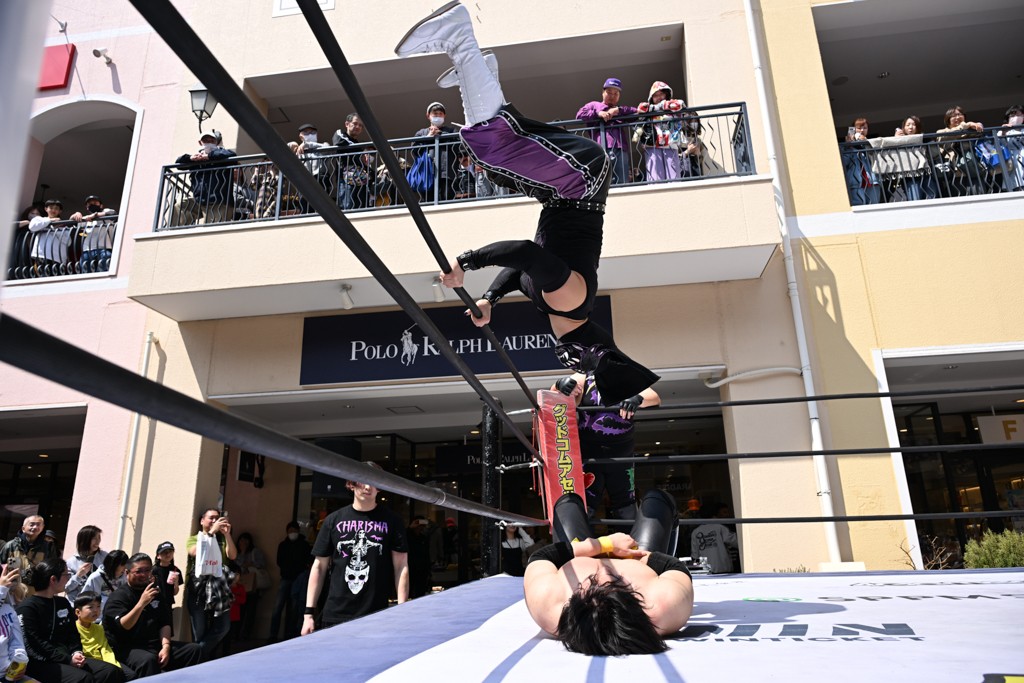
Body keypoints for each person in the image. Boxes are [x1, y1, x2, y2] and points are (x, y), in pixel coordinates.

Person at [398, 1, 659, 405]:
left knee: (493, 165)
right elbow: (523, 251)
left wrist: (490, 299)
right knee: (496, 145)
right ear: (580, 346)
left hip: (563, 193)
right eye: (575, 362)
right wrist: (465, 263)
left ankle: (481, 72)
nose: (567, 364)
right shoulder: (568, 300)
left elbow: (520, 270)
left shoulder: (552, 302)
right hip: (581, 182)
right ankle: (459, 37)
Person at [523, 491, 692, 655]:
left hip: (580, 553)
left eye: (593, 581)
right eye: (617, 582)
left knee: (567, 502)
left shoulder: (548, 604)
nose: (605, 571)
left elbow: (542, 557)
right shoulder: (664, 608)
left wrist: (603, 545)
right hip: (638, 556)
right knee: (657, 500)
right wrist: (635, 556)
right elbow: (675, 567)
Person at [301, 463, 409, 634]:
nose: (368, 487)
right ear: (351, 484)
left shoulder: (392, 521)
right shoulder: (333, 521)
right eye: (362, 480)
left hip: (377, 614)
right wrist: (308, 613)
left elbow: (401, 565)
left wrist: (402, 610)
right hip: (336, 613)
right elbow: (319, 567)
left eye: (373, 481)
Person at [554, 372, 660, 519]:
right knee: (585, 504)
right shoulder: (584, 377)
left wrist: (637, 399)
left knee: (626, 506)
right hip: (590, 454)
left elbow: (654, 397)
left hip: (621, 454)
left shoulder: (626, 375)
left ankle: (630, 535)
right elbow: (553, 396)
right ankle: (579, 534)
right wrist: (560, 385)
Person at [17, 559, 125, 683]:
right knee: (84, 678)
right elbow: (33, 643)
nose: (69, 579)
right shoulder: (27, 608)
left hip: (66, 656)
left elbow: (72, 633)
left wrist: (76, 652)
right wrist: (67, 660)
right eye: (66, 575)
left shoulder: (62, 602)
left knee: (110, 671)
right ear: (53, 579)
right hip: (40, 662)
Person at [102, 554, 202, 676]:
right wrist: (141, 603)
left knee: (194, 650)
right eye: (139, 571)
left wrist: (166, 646)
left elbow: (164, 622)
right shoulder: (118, 597)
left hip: (154, 645)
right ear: (127, 573)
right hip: (128, 648)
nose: (144, 575)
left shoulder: (155, 593)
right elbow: (124, 625)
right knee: (148, 660)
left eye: (147, 570)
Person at [184, 508, 236, 658]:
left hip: (219, 589)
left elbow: (232, 555)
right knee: (199, 631)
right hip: (199, 589)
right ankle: (199, 658)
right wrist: (211, 532)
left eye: (217, 518)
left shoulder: (221, 539)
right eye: (211, 518)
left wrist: (227, 534)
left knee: (223, 626)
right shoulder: (195, 538)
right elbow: (195, 552)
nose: (214, 521)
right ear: (202, 520)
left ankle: (197, 656)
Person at [577, 77, 639, 185]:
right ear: (603, 93)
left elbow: (636, 113)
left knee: (622, 182)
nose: (612, 96)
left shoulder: (621, 110)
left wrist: (617, 110)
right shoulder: (594, 105)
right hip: (600, 149)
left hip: (620, 148)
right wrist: (598, 113)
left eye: (616, 93)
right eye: (609, 92)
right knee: (603, 182)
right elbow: (579, 115)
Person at [170, 131, 236, 226]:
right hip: (200, 199)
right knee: (181, 206)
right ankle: (174, 231)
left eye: (212, 140)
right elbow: (178, 164)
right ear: (200, 143)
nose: (209, 143)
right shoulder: (197, 157)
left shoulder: (221, 153)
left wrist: (209, 156)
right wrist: (190, 158)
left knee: (212, 229)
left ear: (216, 142)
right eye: (206, 140)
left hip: (219, 200)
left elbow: (232, 155)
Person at [634, 81, 687, 182]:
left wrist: (660, 106)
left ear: (666, 94)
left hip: (671, 145)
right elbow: (641, 108)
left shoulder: (672, 105)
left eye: (661, 94)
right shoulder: (648, 108)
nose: (659, 97)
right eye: (655, 95)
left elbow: (680, 104)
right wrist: (655, 107)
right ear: (651, 98)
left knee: (674, 177)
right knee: (655, 178)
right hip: (652, 146)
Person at [74, 592, 134, 680]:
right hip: (86, 663)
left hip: (105, 662)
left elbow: (105, 649)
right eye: (91, 607)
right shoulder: (73, 629)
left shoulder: (99, 628)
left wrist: (113, 664)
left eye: (98, 606)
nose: (96, 610)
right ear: (78, 612)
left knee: (130, 675)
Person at [0, 516, 59, 604]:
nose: (35, 527)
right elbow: (1, 567)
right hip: (12, 593)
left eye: (38, 525)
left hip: (36, 594)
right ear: (23, 528)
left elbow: (52, 570)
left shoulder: (48, 547)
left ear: (42, 528)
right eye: (32, 524)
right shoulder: (11, 546)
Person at [268, 522, 309, 643]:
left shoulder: (304, 545)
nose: (292, 533)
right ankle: (273, 635)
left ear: (298, 531)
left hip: (299, 579)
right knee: (278, 607)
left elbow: (307, 560)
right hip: (286, 578)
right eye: (290, 531)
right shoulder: (283, 545)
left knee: (295, 608)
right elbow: (279, 561)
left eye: (294, 530)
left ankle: (290, 633)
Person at [413, 102, 460, 202]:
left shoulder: (451, 131)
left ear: (444, 116)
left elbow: (458, 147)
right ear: (428, 116)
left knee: (447, 197)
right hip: (427, 172)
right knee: (428, 200)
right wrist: (428, 137)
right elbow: (415, 150)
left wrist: (441, 134)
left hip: (447, 172)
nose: (438, 116)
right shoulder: (421, 133)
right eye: (435, 114)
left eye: (440, 114)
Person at [1, 563, 36, 683]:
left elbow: (16, 642)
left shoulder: (8, 610)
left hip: (8, 674)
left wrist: (19, 661)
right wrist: (1, 590)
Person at [332, 113, 375, 210]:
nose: (358, 127)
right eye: (355, 123)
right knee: (347, 209)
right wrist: (361, 154)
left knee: (361, 210)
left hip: (361, 183)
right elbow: (339, 142)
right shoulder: (340, 134)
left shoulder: (359, 145)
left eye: (360, 125)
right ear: (347, 124)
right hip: (345, 181)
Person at [233, 533, 266, 640]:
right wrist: (242, 553)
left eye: (246, 541)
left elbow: (262, 564)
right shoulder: (236, 552)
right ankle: (236, 634)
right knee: (239, 611)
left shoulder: (255, 552)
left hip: (252, 587)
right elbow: (237, 565)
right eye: (241, 541)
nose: (243, 543)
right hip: (240, 586)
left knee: (251, 612)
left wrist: (251, 564)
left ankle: (246, 635)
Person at [26, 199, 73, 275]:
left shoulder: (63, 226)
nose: (53, 210)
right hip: (41, 256)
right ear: (46, 209)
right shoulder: (39, 219)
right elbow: (32, 227)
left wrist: (56, 228)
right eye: (51, 208)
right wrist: (50, 220)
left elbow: (68, 242)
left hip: (58, 259)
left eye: (56, 208)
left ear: (60, 211)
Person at [295, 123, 334, 214]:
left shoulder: (323, 144)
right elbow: (287, 147)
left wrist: (307, 144)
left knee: (322, 208)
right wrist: (298, 144)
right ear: (300, 136)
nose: (310, 135)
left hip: (320, 179)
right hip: (305, 180)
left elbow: (327, 148)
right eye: (306, 133)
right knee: (305, 209)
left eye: (312, 132)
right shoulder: (298, 149)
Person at [690, 504, 738, 574]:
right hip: (724, 569)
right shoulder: (720, 528)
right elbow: (737, 542)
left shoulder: (695, 532)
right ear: (715, 514)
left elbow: (695, 555)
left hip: (706, 571)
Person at [65, 526, 108, 603]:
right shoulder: (71, 562)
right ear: (85, 539)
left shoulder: (105, 557)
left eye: (99, 537)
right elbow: (67, 588)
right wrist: (78, 575)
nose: (97, 541)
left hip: (99, 604)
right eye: (94, 538)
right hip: (77, 604)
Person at [79, 551, 129, 617]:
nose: (125, 568)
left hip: (117, 616)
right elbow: (84, 600)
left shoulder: (125, 578)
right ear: (113, 565)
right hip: (97, 618)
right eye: (122, 565)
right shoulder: (96, 578)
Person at [405, 517, 432, 599]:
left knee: (420, 591)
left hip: (422, 569)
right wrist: (410, 528)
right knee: (409, 590)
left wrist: (428, 570)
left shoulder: (423, 538)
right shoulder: (408, 536)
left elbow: (426, 554)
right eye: (419, 525)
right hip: (411, 567)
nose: (420, 527)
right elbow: (402, 537)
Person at [150, 543, 181, 611]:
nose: (168, 554)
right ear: (158, 556)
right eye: (164, 552)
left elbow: (175, 593)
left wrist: (176, 583)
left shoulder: (175, 570)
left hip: (168, 604)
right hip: (153, 602)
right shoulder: (152, 570)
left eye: (170, 552)